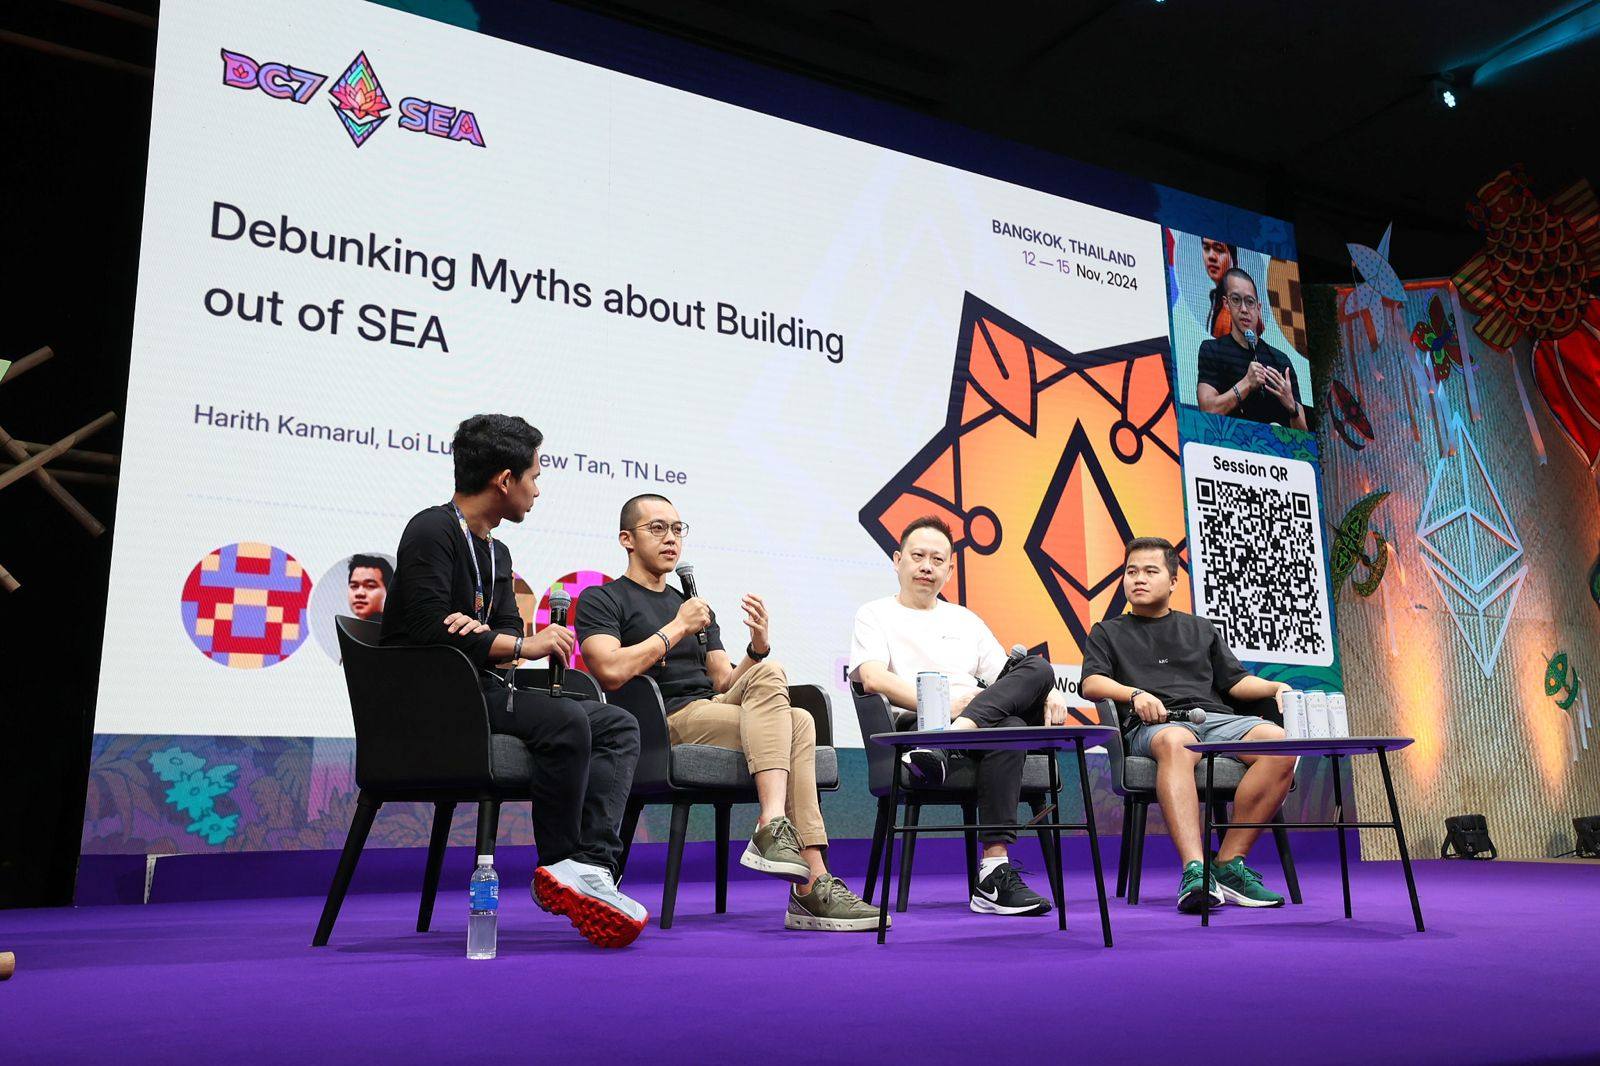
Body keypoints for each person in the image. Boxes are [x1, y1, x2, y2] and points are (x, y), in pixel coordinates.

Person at [380, 414, 647, 948]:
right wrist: (520, 645)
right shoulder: (431, 529)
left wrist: (495, 639)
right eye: (535, 475)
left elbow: (499, 629)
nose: (538, 489)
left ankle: (591, 867)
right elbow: (432, 628)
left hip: (485, 688)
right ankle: (559, 862)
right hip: (436, 701)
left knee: (617, 724)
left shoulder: (496, 551)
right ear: (505, 480)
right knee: (567, 717)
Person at [577, 493, 883, 932]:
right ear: (627, 538)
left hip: (712, 708)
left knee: (790, 702)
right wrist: (678, 626)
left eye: (678, 529)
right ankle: (808, 882)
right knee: (797, 724)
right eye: (657, 528)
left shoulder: (696, 606)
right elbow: (609, 670)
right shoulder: (603, 598)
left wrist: (756, 648)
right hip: (663, 721)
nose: (671, 539)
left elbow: (724, 680)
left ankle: (783, 839)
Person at [849, 516, 1070, 917]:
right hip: (915, 726)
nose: (927, 566)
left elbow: (1008, 676)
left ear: (950, 570)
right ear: (897, 561)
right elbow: (871, 677)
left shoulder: (965, 620)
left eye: (938, 560)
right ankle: (992, 872)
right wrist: (943, 706)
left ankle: (992, 869)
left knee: (1038, 671)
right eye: (917, 556)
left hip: (970, 726)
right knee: (1011, 725)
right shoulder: (875, 613)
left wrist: (1050, 690)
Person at [1079, 537, 1297, 913]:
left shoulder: (1201, 629)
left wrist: (1276, 686)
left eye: (1150, 571)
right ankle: (1195, 870)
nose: (1138, 579)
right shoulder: (1108, 631)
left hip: (1213, 719)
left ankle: (1228, 864)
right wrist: (1134, 695)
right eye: (1131, 572)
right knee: (1177, 740)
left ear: (1174, 580)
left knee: (1278, 742)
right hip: (1158, 724)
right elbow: (1091, 683)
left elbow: (1235, 683)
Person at [1196, 267, 1308, 429]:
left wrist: (1292, 407)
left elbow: (1304, 436)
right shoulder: (1212, 350)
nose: (1244, 309)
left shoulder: (1280, 360)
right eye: (1236, 300)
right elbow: (1207, 410)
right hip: (1229, 450)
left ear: (1258, 308)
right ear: (1226, 304)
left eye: (1250, 302)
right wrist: (1247, 383)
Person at [1200, 237, 1239, 338]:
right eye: (1206, 248)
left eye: (1219, 249)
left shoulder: (1237, 309)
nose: (1211, 256)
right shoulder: (1215, 298)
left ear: (1233, 259)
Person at [345, 554, 391, 622]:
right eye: (354, 586)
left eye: (370, 586)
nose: (359, 593)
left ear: (388, 591)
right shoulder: (353, 630)